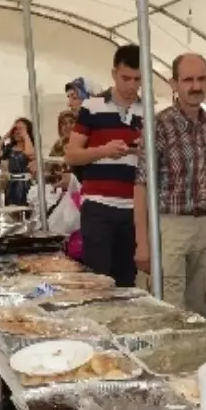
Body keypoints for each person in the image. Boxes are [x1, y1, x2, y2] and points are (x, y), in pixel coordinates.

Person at [134, 53, 206, 316]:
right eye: (188, 79)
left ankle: (198, 358)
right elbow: (141, 185)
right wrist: (142, 243)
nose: (195, 86)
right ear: (174, 84)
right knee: (169, 307)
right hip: (171, 226)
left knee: (201, 308)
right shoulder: (159, 124)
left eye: (201, 79)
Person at [65, 45, 145, 287]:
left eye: (138, 79)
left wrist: (145, 151)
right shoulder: (92, 107)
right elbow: (72, 155)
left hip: (134, 209)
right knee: (98, 282)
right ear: (113, 74)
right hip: (99, 206)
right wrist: (104, 151)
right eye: (126, 78)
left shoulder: (148, 110)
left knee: (126, 283)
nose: (132, 86)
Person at [2, 117, 36, 205]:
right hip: (11, 184)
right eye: (15, 129)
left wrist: (25, 136)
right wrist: (7, 135)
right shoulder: (9, 148)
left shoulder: (32, 147)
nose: (17, 132)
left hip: (26, 185)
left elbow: (29, 153)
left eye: (21, 129)